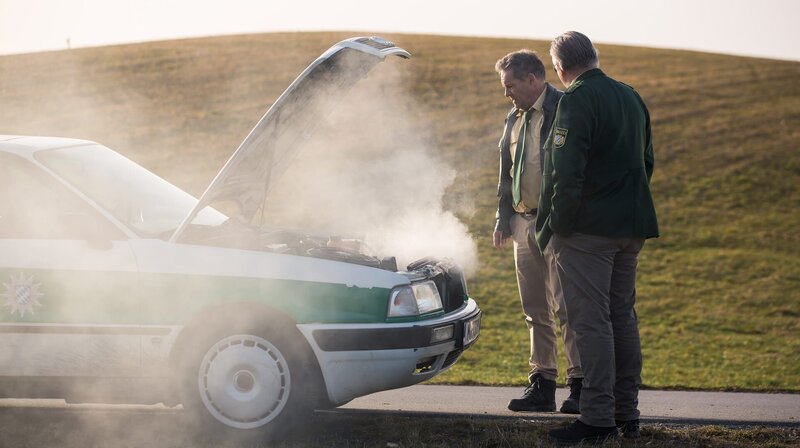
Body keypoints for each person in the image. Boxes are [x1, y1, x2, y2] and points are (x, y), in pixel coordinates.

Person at [534, 31, 659, 444]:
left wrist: (559, 225)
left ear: (559, 67)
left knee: (591, 323)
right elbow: (646, 161)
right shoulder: (630, 95)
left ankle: (598, 417)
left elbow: (564, 172)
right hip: (630, 226)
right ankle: (627, 413)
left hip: (587, 231)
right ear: (594, 56)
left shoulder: (576, 99)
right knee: (623, 319)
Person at [493, 50, 583, 414]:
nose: (507, 93)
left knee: (568, 307)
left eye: (510, 85)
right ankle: (542, 384)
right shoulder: (512, 117)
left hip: (556, 225)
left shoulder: (565, 109)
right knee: (534, 309)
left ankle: (580, 386)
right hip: (521, 223)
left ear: (533, 79)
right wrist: (503, 219)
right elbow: (507, 173)